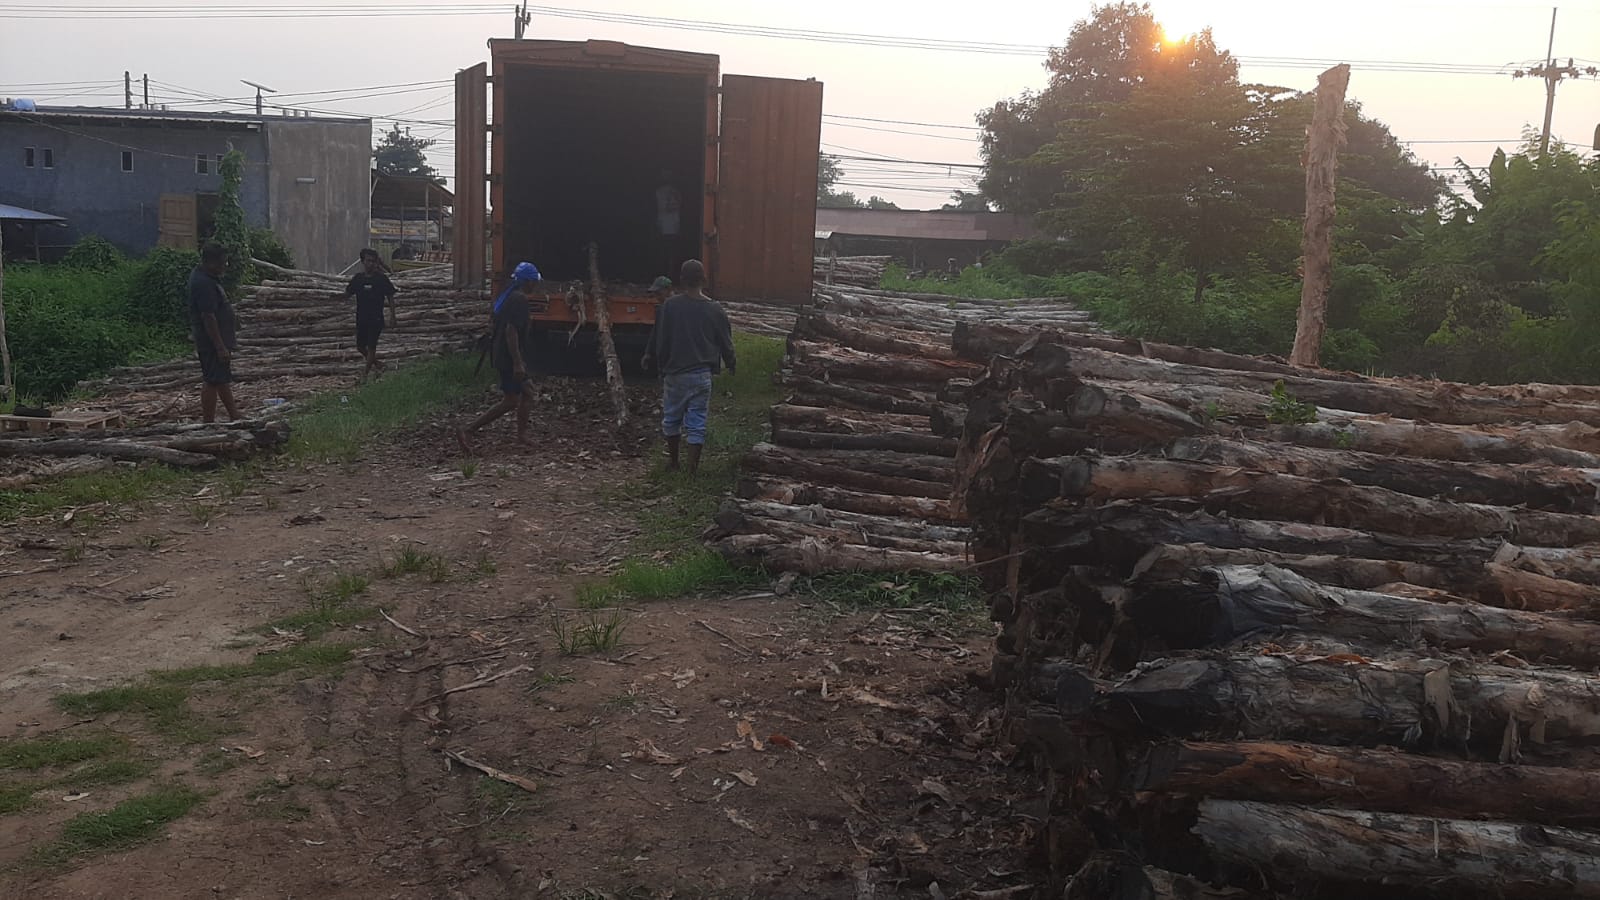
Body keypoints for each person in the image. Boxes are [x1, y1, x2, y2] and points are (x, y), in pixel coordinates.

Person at [641, 259, 735, 474]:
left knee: (671, 418)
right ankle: (692, 470)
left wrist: (656, 362)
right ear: (704, 280)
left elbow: (661, 339)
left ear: (682, 280)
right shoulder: (715, 309)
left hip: (675, 374)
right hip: (701, 375)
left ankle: (674, 463)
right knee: (697, 421)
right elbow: (725, 342)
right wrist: (731, 363)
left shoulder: (669, 307)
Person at [458, 261, 542, 451]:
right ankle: (468, 430)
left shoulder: (509, 295)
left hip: (504, 354)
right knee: (511, 400)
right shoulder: (519, 300)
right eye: (534, 281)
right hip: (508, 357)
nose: (536, 285)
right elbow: (511, 332)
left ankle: (521, 435)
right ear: (528, 282)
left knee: (529, 392)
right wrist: (517, 362)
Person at [188, 242, 240, 423]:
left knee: (220, 378)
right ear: (211, 263)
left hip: (217, 340)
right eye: (223, 262)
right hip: (211, 341)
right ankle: (208, 423)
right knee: (211, 380)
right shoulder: (203, 283)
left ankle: (234, 415)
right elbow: (208, 317)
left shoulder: (208, 278)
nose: (225, 265)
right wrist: (219, 347)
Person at [345, 248, 398, 380]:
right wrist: (334, 298)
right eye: (368, 261)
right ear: (363, 261)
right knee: (360, 347)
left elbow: (390, 296)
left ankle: (365, 374)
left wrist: (393, 316)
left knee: (372, 346)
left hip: (376, 318)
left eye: (373, 261)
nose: (371, 264)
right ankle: (378, 364)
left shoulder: (381, 279)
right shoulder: (358, 279)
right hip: (361, 317)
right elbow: (347, 293)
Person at [653, 170, 683, 275]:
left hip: (664, 226)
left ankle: (664, 274)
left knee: (664, 253)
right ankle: (669, 274)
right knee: (670, 253)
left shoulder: (658, 192)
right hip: (672, 227)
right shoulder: (676, 192)